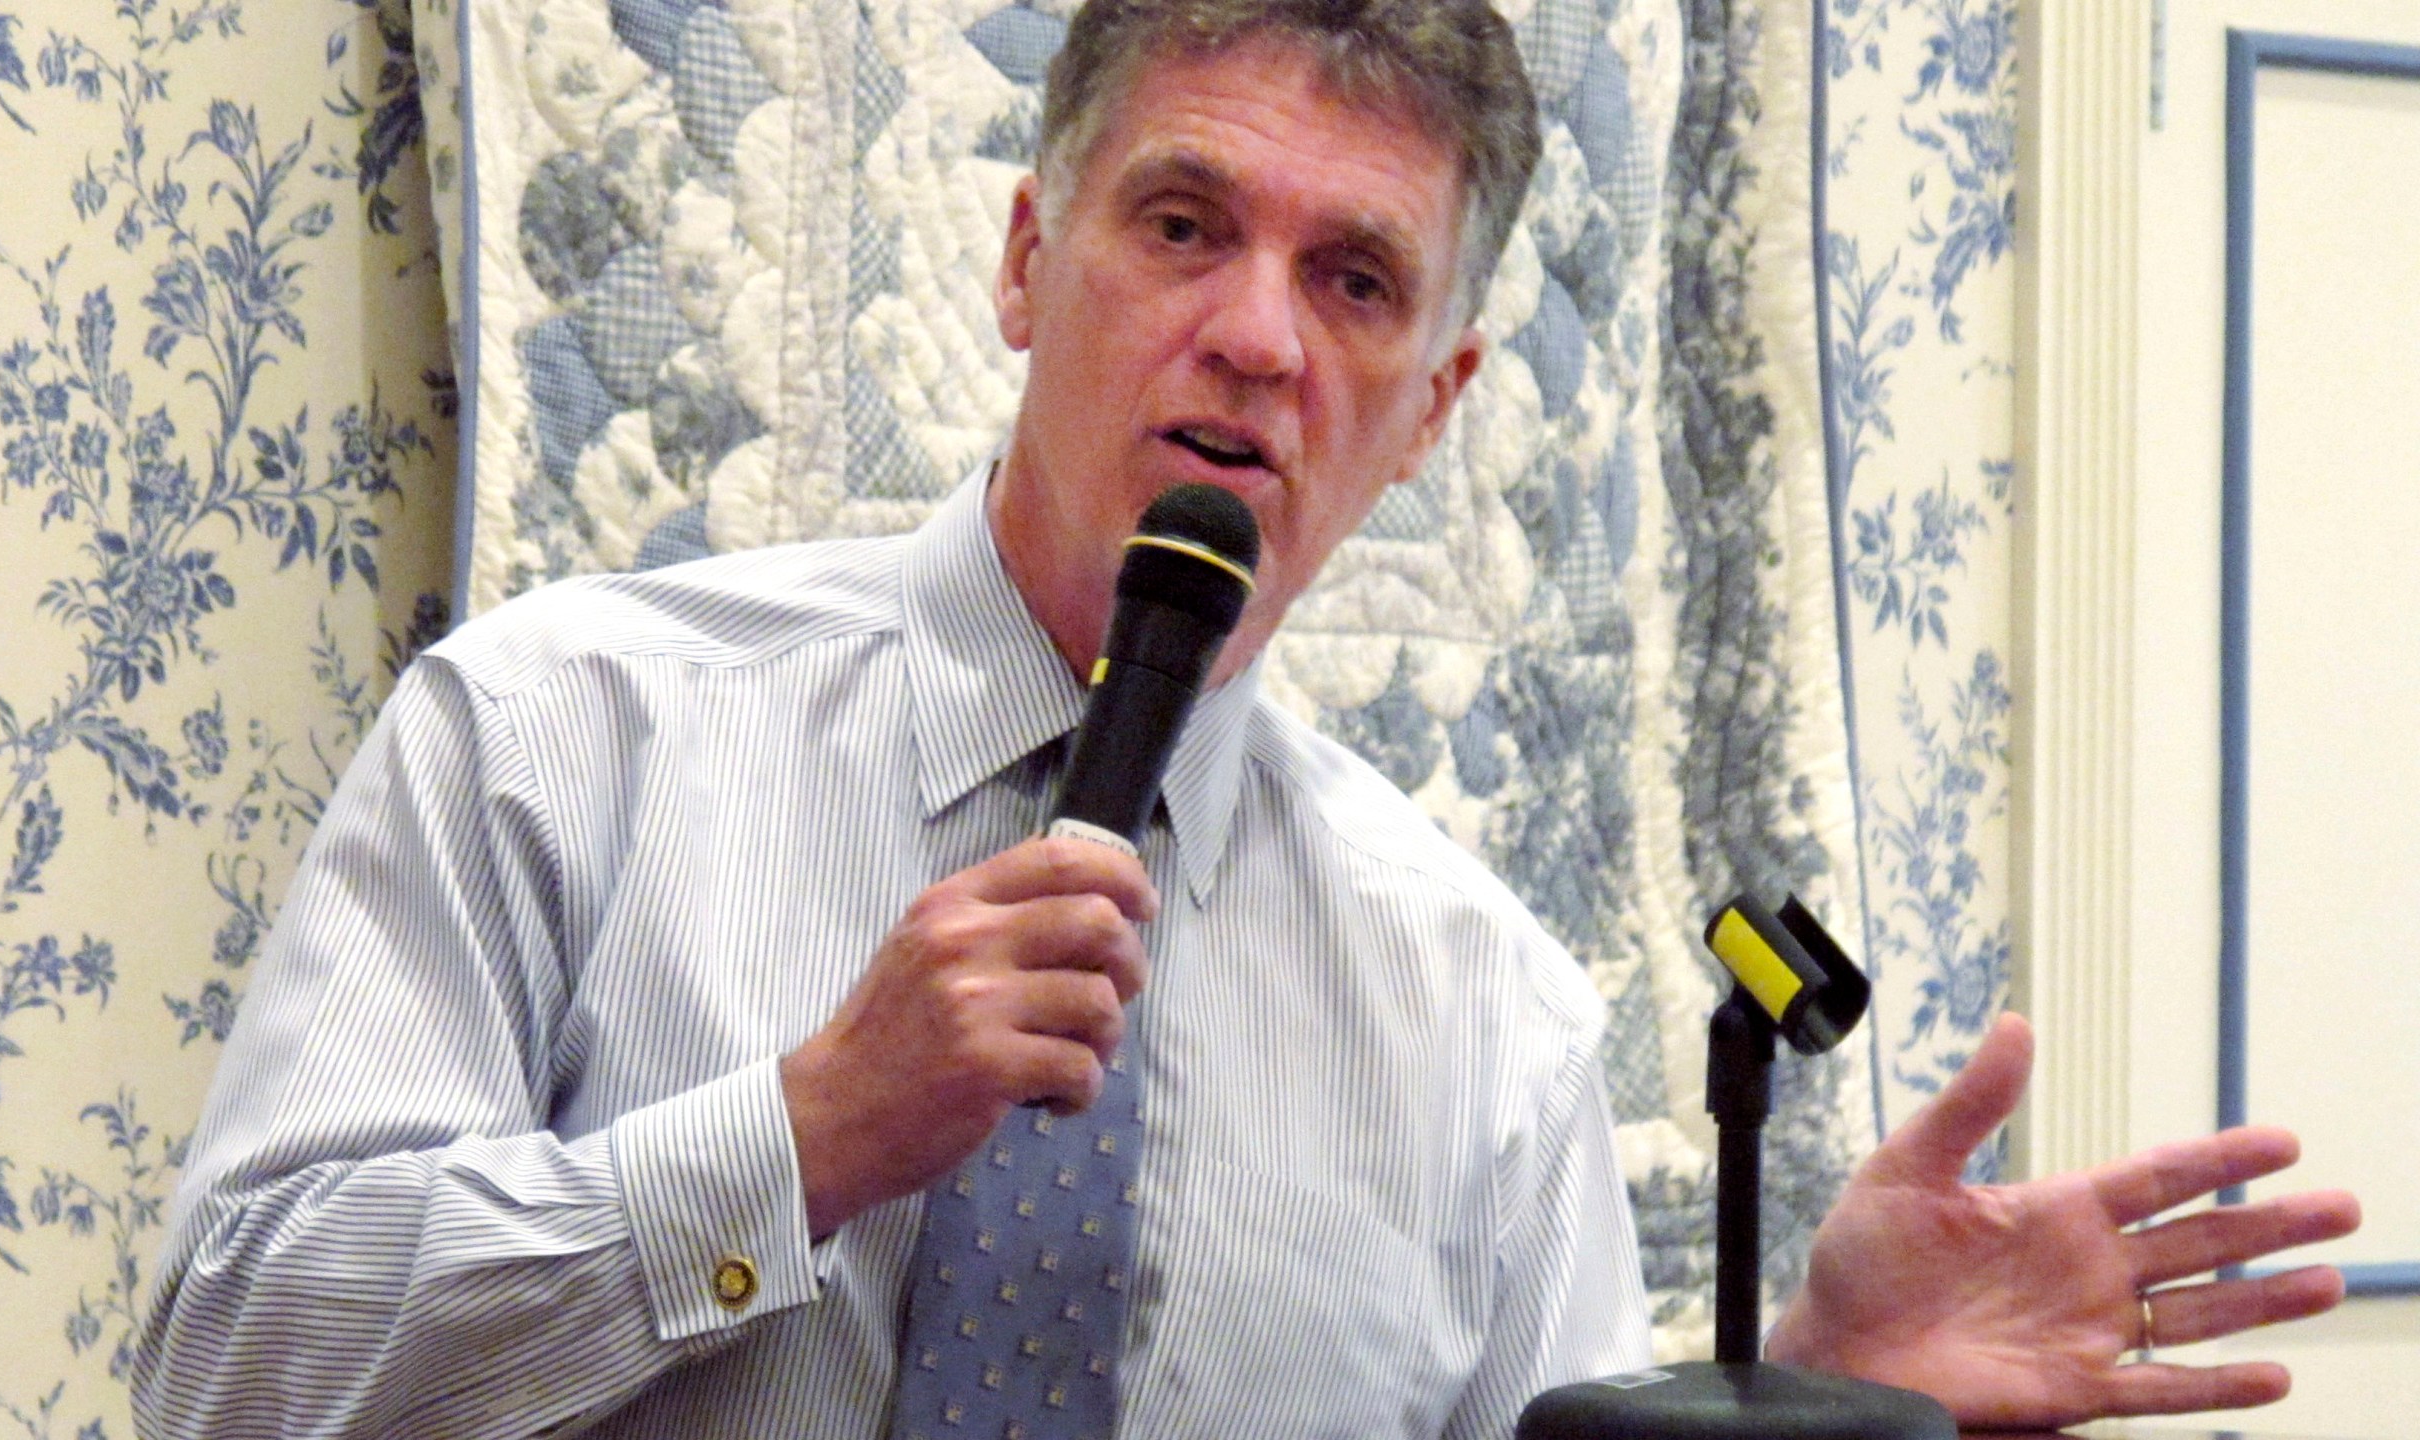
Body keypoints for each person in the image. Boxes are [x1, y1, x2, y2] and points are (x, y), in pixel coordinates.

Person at [132, 1, 2359, 1436]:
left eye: (1353, 281)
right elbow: (226, 1368)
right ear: (1023, 263)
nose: (1251, 339)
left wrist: (1799, 1405)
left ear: (1429, 411)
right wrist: (797, 1136)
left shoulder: (1474, 1006)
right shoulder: (555, 738)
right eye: (1180, 224)